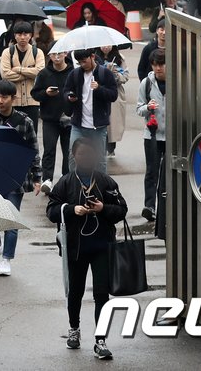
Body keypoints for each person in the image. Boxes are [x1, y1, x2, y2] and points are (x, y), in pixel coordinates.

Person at [46, 136, 128, 361]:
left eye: (90, 155)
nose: (86, 158)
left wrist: (102, 209)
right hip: (75, 247)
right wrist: (73, 210)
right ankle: (74, 329)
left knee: (102, 293)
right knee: (76, 292)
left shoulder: (105, 181)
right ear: (74, 156)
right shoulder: (65, 182)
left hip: (102, 245)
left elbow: (122, 210)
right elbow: (52, 210)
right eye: (81, 155)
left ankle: (100, 340)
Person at [0, 80, 41, 276]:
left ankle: (7, 258)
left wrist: (37, 176)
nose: (0, 100)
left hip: (15, 177)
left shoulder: (25, 122)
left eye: (4, 97)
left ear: (14, 98)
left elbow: (33, 150)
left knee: (11, 219)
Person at [61, 49, 120, 172]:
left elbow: (113, 95)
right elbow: (66, 90)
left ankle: (101, 188)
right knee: (72, 157)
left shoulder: (105, 73)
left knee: (99, 160)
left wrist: (99, 89)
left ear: (92, 56)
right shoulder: (75, 74)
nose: (82, 65)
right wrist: (69, 97)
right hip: (78, 124)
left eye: (84, 61)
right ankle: (75, 185)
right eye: (79, 62)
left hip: (98, 127)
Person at [33, 49, 73, 192]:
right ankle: (47, 179)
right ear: (49, 55)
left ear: (66, 54)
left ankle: (66, 178)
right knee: (49, 149)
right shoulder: (44, 73)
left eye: (60, 53)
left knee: (68, 150)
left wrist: (72, 98)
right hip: (49, 118)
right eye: (54, 54)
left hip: (69, 117)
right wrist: (46, 93)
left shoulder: (72, 72)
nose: (57, 57)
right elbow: (35, 94)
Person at [135, 48, 167, 222]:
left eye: (161, 64)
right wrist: (148, 107)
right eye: (155, 65)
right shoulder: (146, 83)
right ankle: (149, 207)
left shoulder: (178, 82)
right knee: (152, 172)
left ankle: (167, 206)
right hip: (152, 135)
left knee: (170, 173)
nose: (158, 68)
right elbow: (138, 109)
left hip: (171, 137)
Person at [0, 21, 46, 129]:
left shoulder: (37, 52)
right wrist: (29, 72)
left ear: (30, 35)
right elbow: (5, 75)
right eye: (19, 34)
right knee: (12, 134)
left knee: (31, 133)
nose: (23, 37)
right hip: (13, 102)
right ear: (15, 36)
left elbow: (40, 73)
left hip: (32, 101)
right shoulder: (7, 52)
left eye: (26, 34)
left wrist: (18, 69)